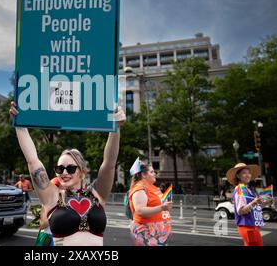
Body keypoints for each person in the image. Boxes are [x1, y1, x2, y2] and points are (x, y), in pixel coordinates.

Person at [10, 101, 125, 246]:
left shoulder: (97, 194)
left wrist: (116, 128)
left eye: (70, 168)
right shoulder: (52, 196)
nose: (64, 173)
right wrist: (20, 125)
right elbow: (33, 161)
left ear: (82, 171)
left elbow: (109, 164)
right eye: (60, 169)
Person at [128, 160, 172, 246]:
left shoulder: (152, 187)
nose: (154, 173)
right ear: (144, 175)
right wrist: (162, 207)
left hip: (157, 235)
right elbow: (140, 211)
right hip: (147, 233)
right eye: (151, 172)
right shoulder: (139, 188)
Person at [226, 163, 270, 246]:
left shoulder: (247, 188)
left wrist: (266, 202)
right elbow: (240, 211)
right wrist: (254, 202)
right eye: (244, 173)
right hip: (248, 227)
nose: (248, 175)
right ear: (238, 176)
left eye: (249, 173)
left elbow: (255, 206)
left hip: (251, 226)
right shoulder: (240, 188)